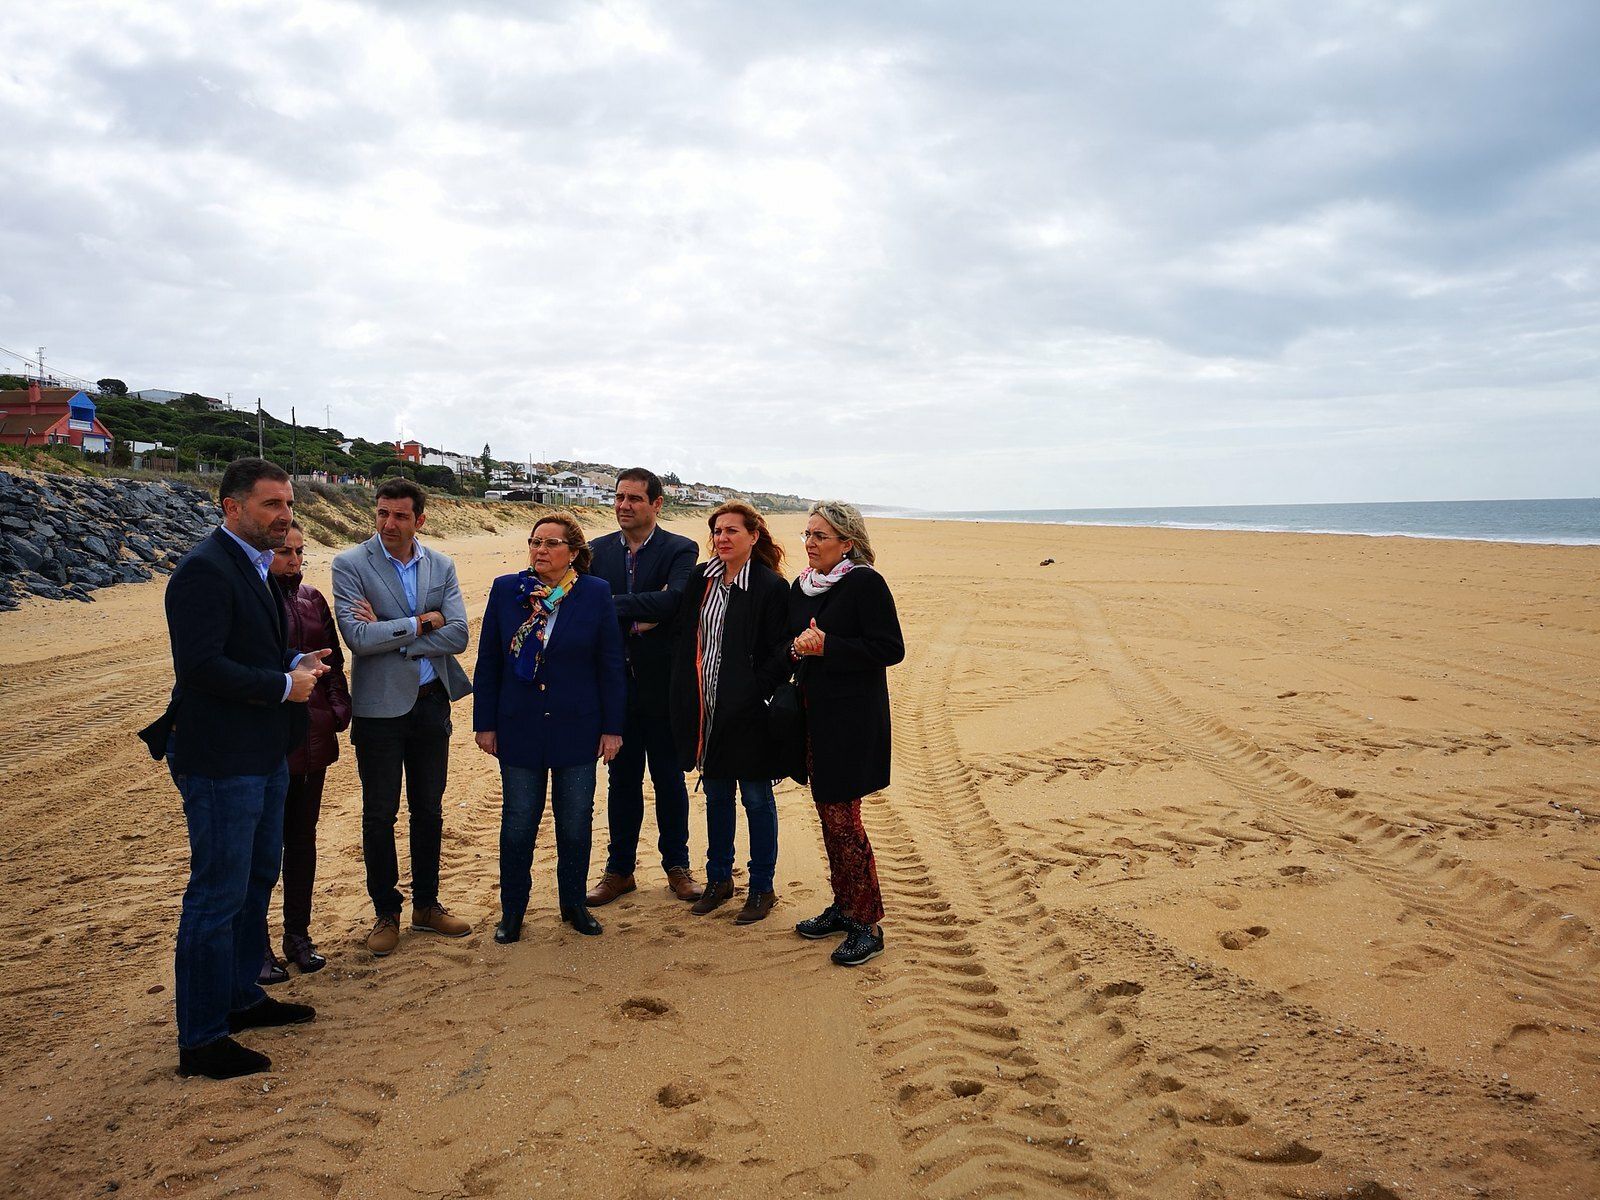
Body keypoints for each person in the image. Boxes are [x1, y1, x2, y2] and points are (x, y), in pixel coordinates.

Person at [137, 458, 328, 1079]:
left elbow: (248, 647)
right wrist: (283, 686)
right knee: (216, 895)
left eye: (289, 504)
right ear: (232, 507)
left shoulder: (253, 564)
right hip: (221, 760)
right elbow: (200, 667)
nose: (284, 515)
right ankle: (201, 1038)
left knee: (255, 880)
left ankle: (241, 997)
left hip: (262, 752)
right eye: (272, 504)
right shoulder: (204, 569)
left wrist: (294, 660)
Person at [332, 479, 473, 957]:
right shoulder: (351, 563)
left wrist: (394, 637)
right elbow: (357, 638)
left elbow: (459, 635)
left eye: (400, 516)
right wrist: (421, 622)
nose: (389, 523)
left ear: (420, 520)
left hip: (431, 702)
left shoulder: (441, 564)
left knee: (429, 809)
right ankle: (386, 912)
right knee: (379, 813)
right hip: (378, 709)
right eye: (382, 513)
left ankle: (427, 906)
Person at [474, 513, 626, 939]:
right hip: (519, 724)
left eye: (551, 543)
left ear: (573, 552)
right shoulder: (507, 589)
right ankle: (513, 911)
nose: (540, 550)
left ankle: (574, 904)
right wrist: (485, 723)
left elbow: (610, 665)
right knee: (518, 823)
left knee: (575, 823)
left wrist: (612, 728)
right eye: (535, 542)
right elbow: (489, 661)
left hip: (577, 726)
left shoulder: (595, 592)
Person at [785, 501, 905, 966]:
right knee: (828, 816)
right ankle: (843, 906)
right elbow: (793, 642)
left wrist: (828, 646)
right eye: (808, 534)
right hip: (813, 719)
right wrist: (799, 647)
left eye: (821, 535)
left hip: (852, 722)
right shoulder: (802, 586)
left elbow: (890, 648)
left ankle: (867, 924)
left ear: (847, 542)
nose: (811, 543)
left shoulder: (865, 583)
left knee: (844, 821)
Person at [584, 468, 703, 906]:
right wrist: (641, 616)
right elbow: (581, 603)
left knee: (669, 779)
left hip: (663, 685)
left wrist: (611, 608)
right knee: (622, 781)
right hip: (614, 686)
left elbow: (675, 600)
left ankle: (677, 867)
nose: (623, 505)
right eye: (619, 497)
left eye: (634, 498)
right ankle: (620, 871)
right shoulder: (596, 552)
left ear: (656, 504)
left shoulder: (680, 549)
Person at [669, 502, 791, 923]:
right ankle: (719, 880)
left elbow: (781, 652)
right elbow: (685, 635)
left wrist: (753, 692)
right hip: (706, 708)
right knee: (717, 795)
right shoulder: (701, 579)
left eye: (732, 531)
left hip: (750, 712)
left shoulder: (771, 586)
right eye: (717, 531)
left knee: (757, 798)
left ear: (753, 536)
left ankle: (762, 888)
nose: (722, 538)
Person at [258, 521, 352, 981]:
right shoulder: (254, 597)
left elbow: (333, 659)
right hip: (268, 743)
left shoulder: (312, 599)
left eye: (299, 552)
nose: (294, 561)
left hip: (313, 738)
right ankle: (256, 945)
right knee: (260, 850)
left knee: (301, 842)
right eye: (285, 552)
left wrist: (337, 709)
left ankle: (297, 935)